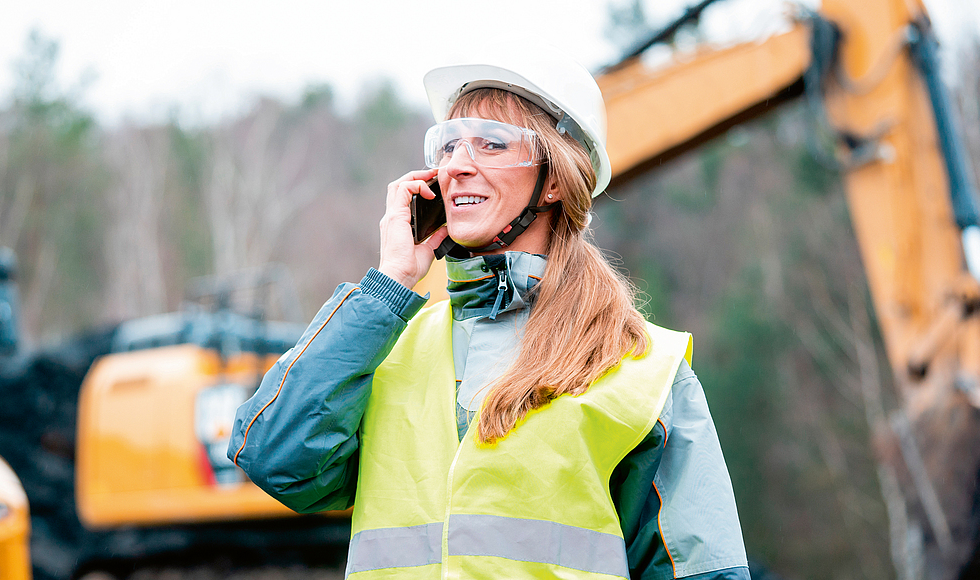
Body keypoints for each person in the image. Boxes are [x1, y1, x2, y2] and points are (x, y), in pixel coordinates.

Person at [229, 46, 749, 580]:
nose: (456, 165)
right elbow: (277, 461)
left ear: (554, 181)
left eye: (490, 143)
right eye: (448, 145)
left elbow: (702, 571)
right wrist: (388, 286)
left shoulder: (642, 368)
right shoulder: (385, 347)